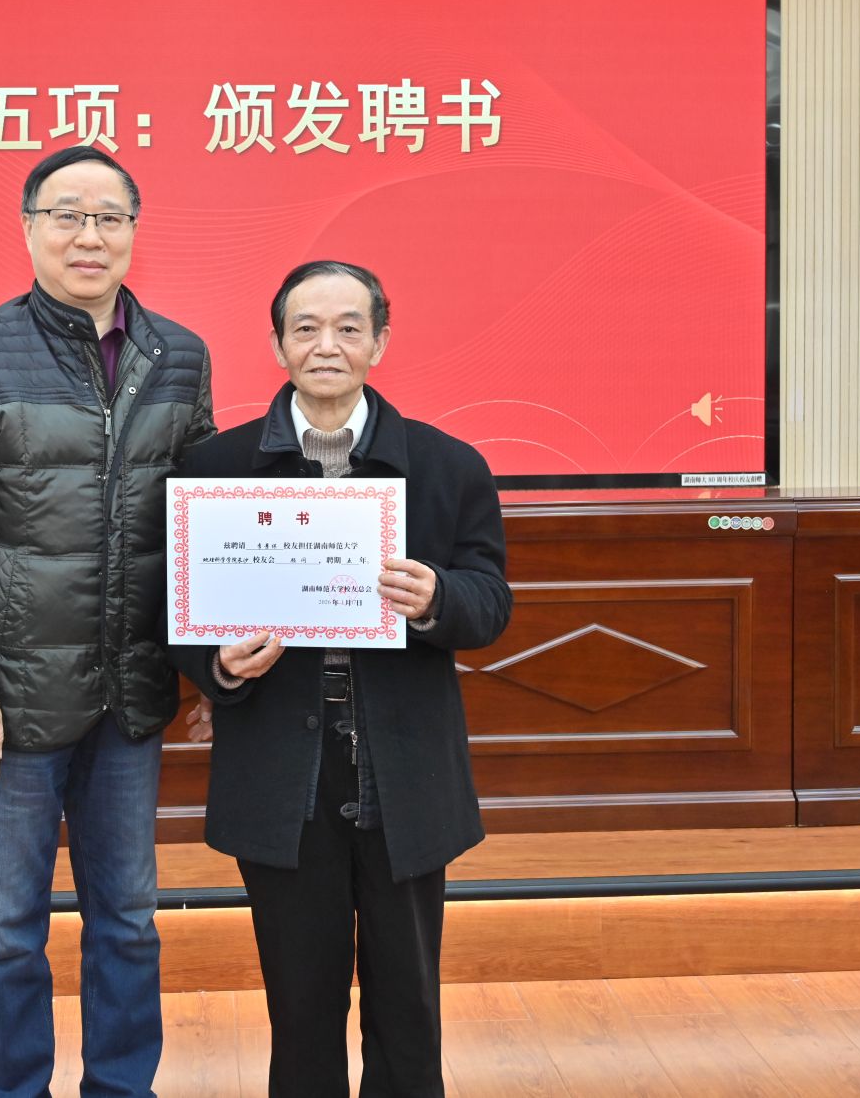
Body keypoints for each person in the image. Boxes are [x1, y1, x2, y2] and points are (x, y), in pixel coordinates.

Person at [0, 144, 213, 1098]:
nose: (89, 235)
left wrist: (207, 667)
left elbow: (202, 524)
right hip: (11, 706)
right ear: (30, 227)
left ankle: (122, 1087)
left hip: (129, 699)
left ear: (134, 232)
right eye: (67, 214)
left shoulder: (179, 355)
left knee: (130, 921)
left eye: (109, 217)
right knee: (7, 934)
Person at [170, 260, 511, 1098]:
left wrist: (438, 597)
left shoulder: (447, 465)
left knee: (408, 1005)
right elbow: (176, 613)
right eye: (306, 328)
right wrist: (217, 665)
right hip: (281, 770)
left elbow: (491, 600)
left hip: (404, 767)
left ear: (380, 342)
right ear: (277, 344)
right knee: (300, 1005)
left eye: (349, 327)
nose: (327, 345)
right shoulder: (215, 467)